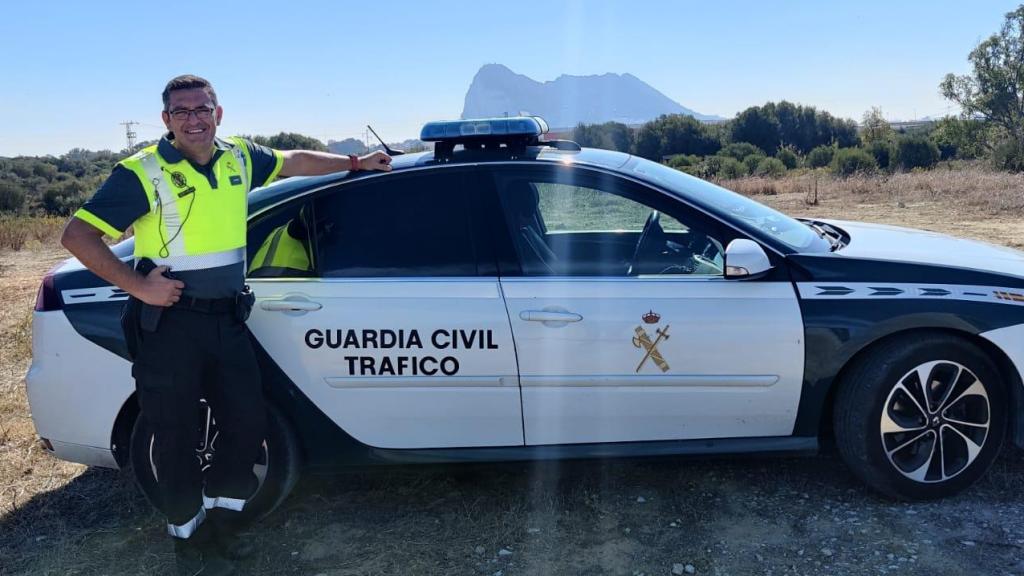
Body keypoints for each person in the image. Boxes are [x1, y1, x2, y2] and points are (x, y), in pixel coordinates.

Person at [60, 74, 391, 575]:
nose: (194, 118)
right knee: (173, 436)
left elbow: (294, 161)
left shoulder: (237, 155)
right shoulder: (142, 171)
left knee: (246, 424)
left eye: (203, 108)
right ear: (167, 120)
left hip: (228, 321)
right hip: (168, 327)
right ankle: (187, 541)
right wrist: (139, 286)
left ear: (219, 113)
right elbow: (77, 236)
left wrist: (355, 163)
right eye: (182, 111)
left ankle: (225, 524)